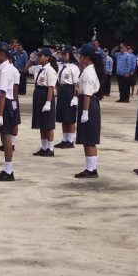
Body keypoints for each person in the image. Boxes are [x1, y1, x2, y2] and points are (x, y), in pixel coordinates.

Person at [0, 42, 20, 181]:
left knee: (6, 137)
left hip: (4, 103)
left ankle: (9, 171)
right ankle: (7, 169)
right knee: (4, 137)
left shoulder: (6, 70)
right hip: (3, 102)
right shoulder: (3, 68)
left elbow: (3, 93)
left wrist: (0, 114)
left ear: (2, 54)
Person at [74, 44, 102, 178]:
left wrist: (85, 112)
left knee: (89, 138)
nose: (79, 58)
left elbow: (87, 94)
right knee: (85, 137)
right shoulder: (86, 70)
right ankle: (89, 168)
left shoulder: (89, 72)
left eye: (81, 56)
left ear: (87, 58)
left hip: (89, 105)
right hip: (86, 103)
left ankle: (92, 170)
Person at [31, 48, 58, 157]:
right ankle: (44, 147)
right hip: (38, 94)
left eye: (41, 56)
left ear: (47, 58)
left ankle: (50, 148)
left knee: (48, 124)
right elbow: (27, 69)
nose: (38, 57)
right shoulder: (40, 69)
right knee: (41, 123)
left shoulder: (50, 70)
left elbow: (51, 88)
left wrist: (48, 102)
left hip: (46, 95)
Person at [54, 48, 80, 149]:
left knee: (70, 117)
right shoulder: (61, 66)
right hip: (62, 90)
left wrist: (75, 96)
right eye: (62, 54)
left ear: (70, 55)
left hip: (69, 91)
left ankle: (70, 140)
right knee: (63, 117)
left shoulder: (74, 67)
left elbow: (76, 84)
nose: (63, 56)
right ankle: (64, 140)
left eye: (65, 54)